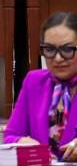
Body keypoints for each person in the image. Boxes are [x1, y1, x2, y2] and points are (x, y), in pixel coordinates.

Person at [5, 12, 77, 160]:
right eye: (50, 49)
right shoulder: (34, 81)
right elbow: (11, 136)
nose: (58, 58)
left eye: (67, 49)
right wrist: (23, 142)